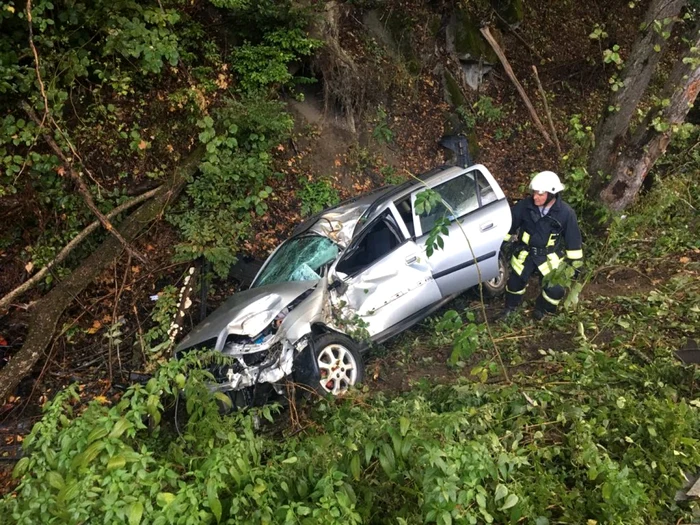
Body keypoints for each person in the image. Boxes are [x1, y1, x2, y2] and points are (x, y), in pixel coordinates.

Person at [501, 171, 583, 320]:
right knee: (514, 284)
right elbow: (508, 227)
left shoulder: (566, 213)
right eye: (534, 193)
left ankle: (543, 310)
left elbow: (574, 243)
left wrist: (575, 267)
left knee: (555, 290)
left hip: (548, 257)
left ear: (552, 194)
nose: (535, 197)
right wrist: (502, 247)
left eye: (540, 194)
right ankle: (510, 309)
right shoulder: (524, 206)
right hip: (525, 253)